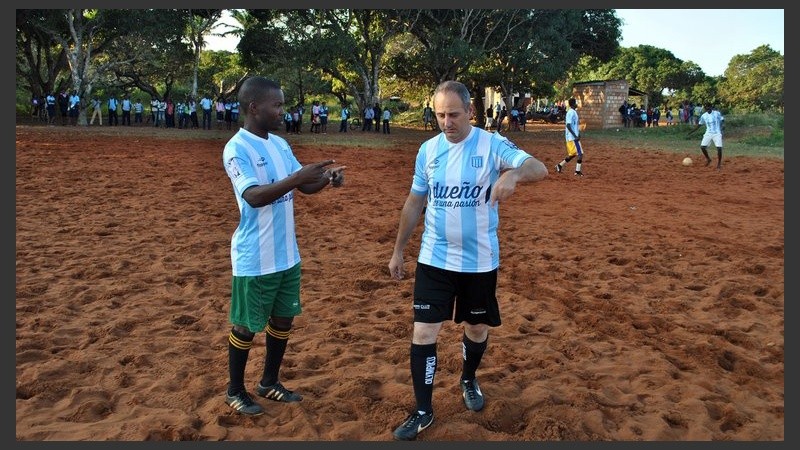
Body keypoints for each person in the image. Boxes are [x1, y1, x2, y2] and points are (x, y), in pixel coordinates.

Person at [387, 80, 548, 441]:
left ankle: (467, 378)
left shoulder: (492, 145)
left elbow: (540, 168)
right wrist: (399, 250)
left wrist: (515, 174)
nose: (447, 122)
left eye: (454, 115)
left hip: (479, 262)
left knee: (476, 330)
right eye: (441, 114)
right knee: (424, 331)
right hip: (435, 258)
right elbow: (415, 202)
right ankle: (424, 410)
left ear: (470, 113)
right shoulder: (427, 151)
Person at [220, 76, 347, 416]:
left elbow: (303, 187)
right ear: (254, 108)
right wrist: (297, 178)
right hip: (254, 256)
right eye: (276, 105)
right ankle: (235, 390)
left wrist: (327, 180)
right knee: (246, 325)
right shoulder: (237, 148)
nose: (282, 111)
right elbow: (253, 196)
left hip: (286, 254)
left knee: (283, 320)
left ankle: (268, 382)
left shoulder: (279, 145)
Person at [687, 102, 724, 169]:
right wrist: (691, 131)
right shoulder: (704, 116)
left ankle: (719, 164)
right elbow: (699, 125)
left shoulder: (717, 113)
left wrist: (722, 127)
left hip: (717, 133)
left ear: (711, 107)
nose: (708, 109)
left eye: (709, 107)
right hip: (708, 133)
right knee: (702, 147)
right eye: (706, 108)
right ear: (705, 108)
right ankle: (708, 159)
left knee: (719, 148)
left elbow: (722, 120)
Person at [554, 97, 584, 177]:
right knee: (580, 153)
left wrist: (578, 133)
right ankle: (577, 172)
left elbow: (574, 125)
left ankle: (559, 165)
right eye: (576, 102)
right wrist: (575, 135)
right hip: (572, 137)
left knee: (573, 154)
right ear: (573, 104)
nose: (577, 104)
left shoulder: (573, 112)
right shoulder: (571, 112)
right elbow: (568, 125)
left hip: (573, 137)